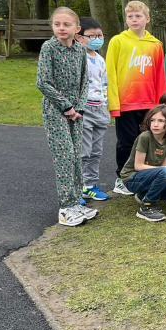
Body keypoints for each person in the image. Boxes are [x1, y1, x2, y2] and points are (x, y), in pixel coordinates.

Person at [37, 8, 97, 227]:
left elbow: (85, 82)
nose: (61, 28)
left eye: (66, 24)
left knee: (75, 156)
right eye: (57, 24)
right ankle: (65, 208)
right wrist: (66, 106)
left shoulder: (80, 50)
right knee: (65, 157)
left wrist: (78, 108)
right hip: (56, 110)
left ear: (77, 28)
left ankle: (75, 202)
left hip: (76, 113)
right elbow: (42, 82)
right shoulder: (49, 48)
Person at [107, 0, 166, 196]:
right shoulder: (117, 41)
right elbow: (111, 74)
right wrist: (113, 104)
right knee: (126, 142)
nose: (134, 19)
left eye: (138, 16)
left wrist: (161, 106)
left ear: (147, 19)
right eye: (130, 16)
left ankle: (143, 177)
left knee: (147, 141)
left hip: (150, 103)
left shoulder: (155, 45)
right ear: (126, 19)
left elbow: (160, 76)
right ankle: (122, 178)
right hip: (126, 102)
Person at [119, 105, 166, 222]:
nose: (155, 124)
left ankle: (143, 195)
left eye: (161, 121)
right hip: (132, 178)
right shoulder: (145, 137)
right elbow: (138, 166)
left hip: (149, 177)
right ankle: (146, 206)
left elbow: (162, 167)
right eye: (152, 120)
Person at [75, 16, 110, 202]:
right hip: (84, 109)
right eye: (92, 35)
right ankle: (78, 186)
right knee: (84, 152)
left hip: (100, 109)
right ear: (79, 36)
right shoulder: (78, 56)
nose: (97, 38)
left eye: (100, 35)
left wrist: (104, 105)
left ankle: (90, 185)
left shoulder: (100, 58)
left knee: (96, 151)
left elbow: (104, 84)